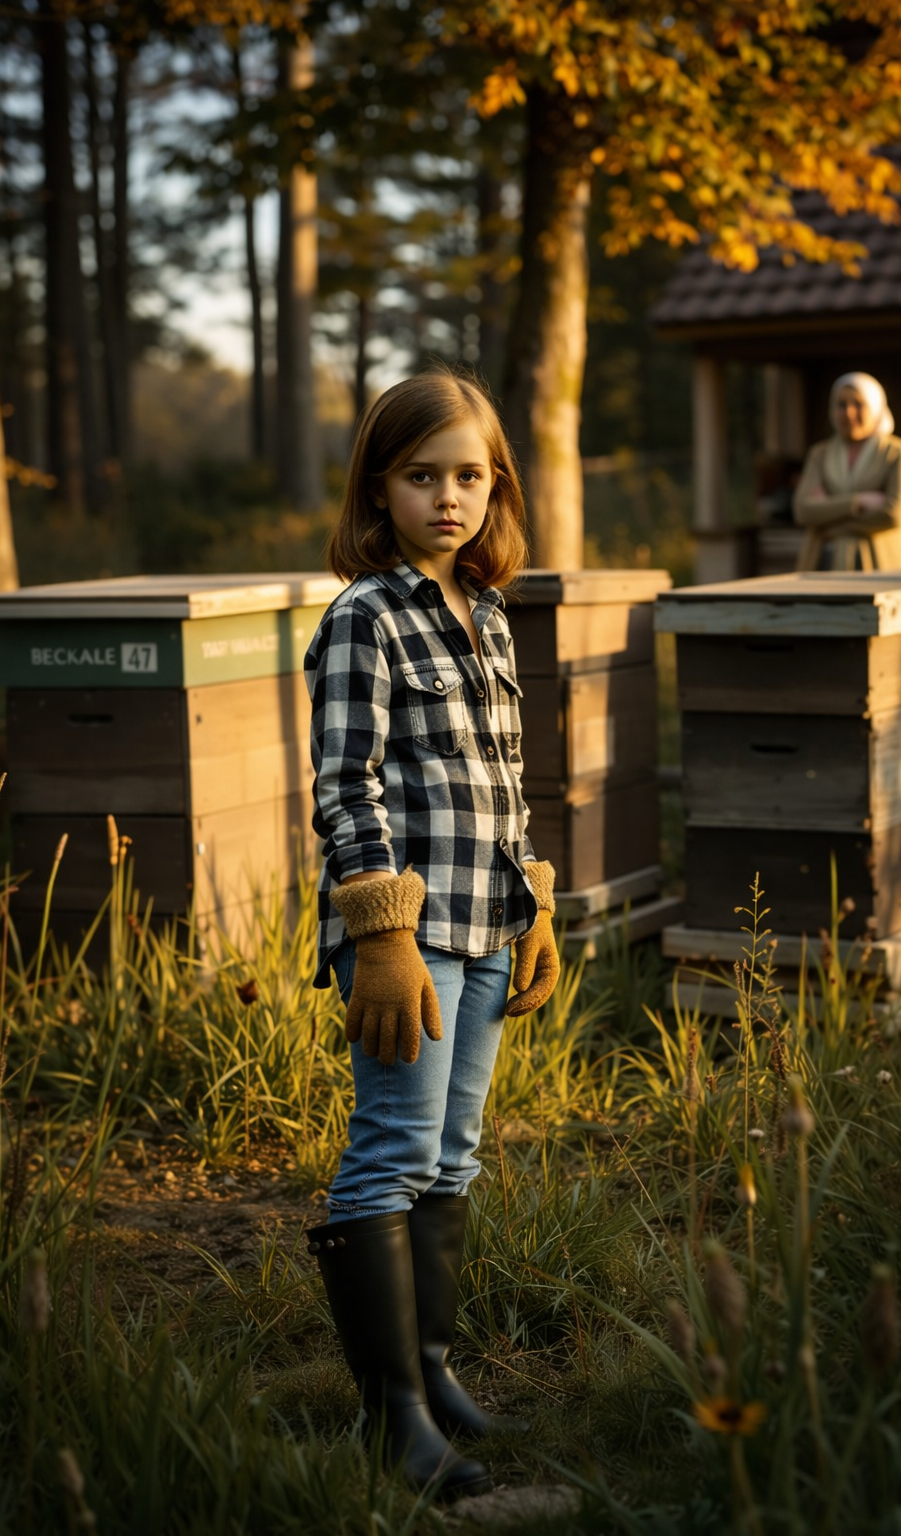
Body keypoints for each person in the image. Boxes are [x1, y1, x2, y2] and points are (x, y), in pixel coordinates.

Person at [303, 368, 560, 1497]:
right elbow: (345, 785)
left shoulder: (487, 609)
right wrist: (380, 932)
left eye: (469, 476)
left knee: (453, 1154)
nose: (447, 498)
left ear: (495, 487)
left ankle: (437, 1370)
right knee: (393, 1149)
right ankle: (392, 1414)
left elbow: (502, 780)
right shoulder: (365, 617)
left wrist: (534, 904)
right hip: (411, 936)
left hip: (489, 922)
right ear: (379, 487)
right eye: (422, 476)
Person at [793, 371, 901, 571]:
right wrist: (858, 502)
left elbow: (896, 513)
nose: (849, 413)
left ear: (876, 408)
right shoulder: (820, 454)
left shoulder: (897, 453)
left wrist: (831, 521)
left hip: (886, 566)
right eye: (841, 405)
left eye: (858, 404)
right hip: (825, 565)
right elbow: (803, 510)